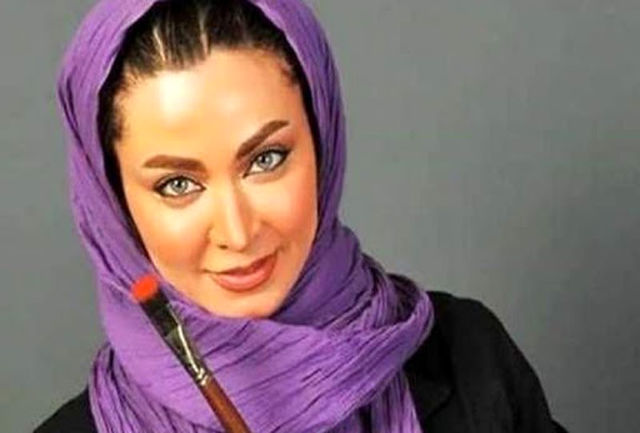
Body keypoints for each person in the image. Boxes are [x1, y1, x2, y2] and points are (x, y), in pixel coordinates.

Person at [36, 0, 568, 431]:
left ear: (322, 141)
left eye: (266, 159)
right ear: (114, 204)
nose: (238, 232)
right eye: (178, 184)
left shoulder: (470, 360)